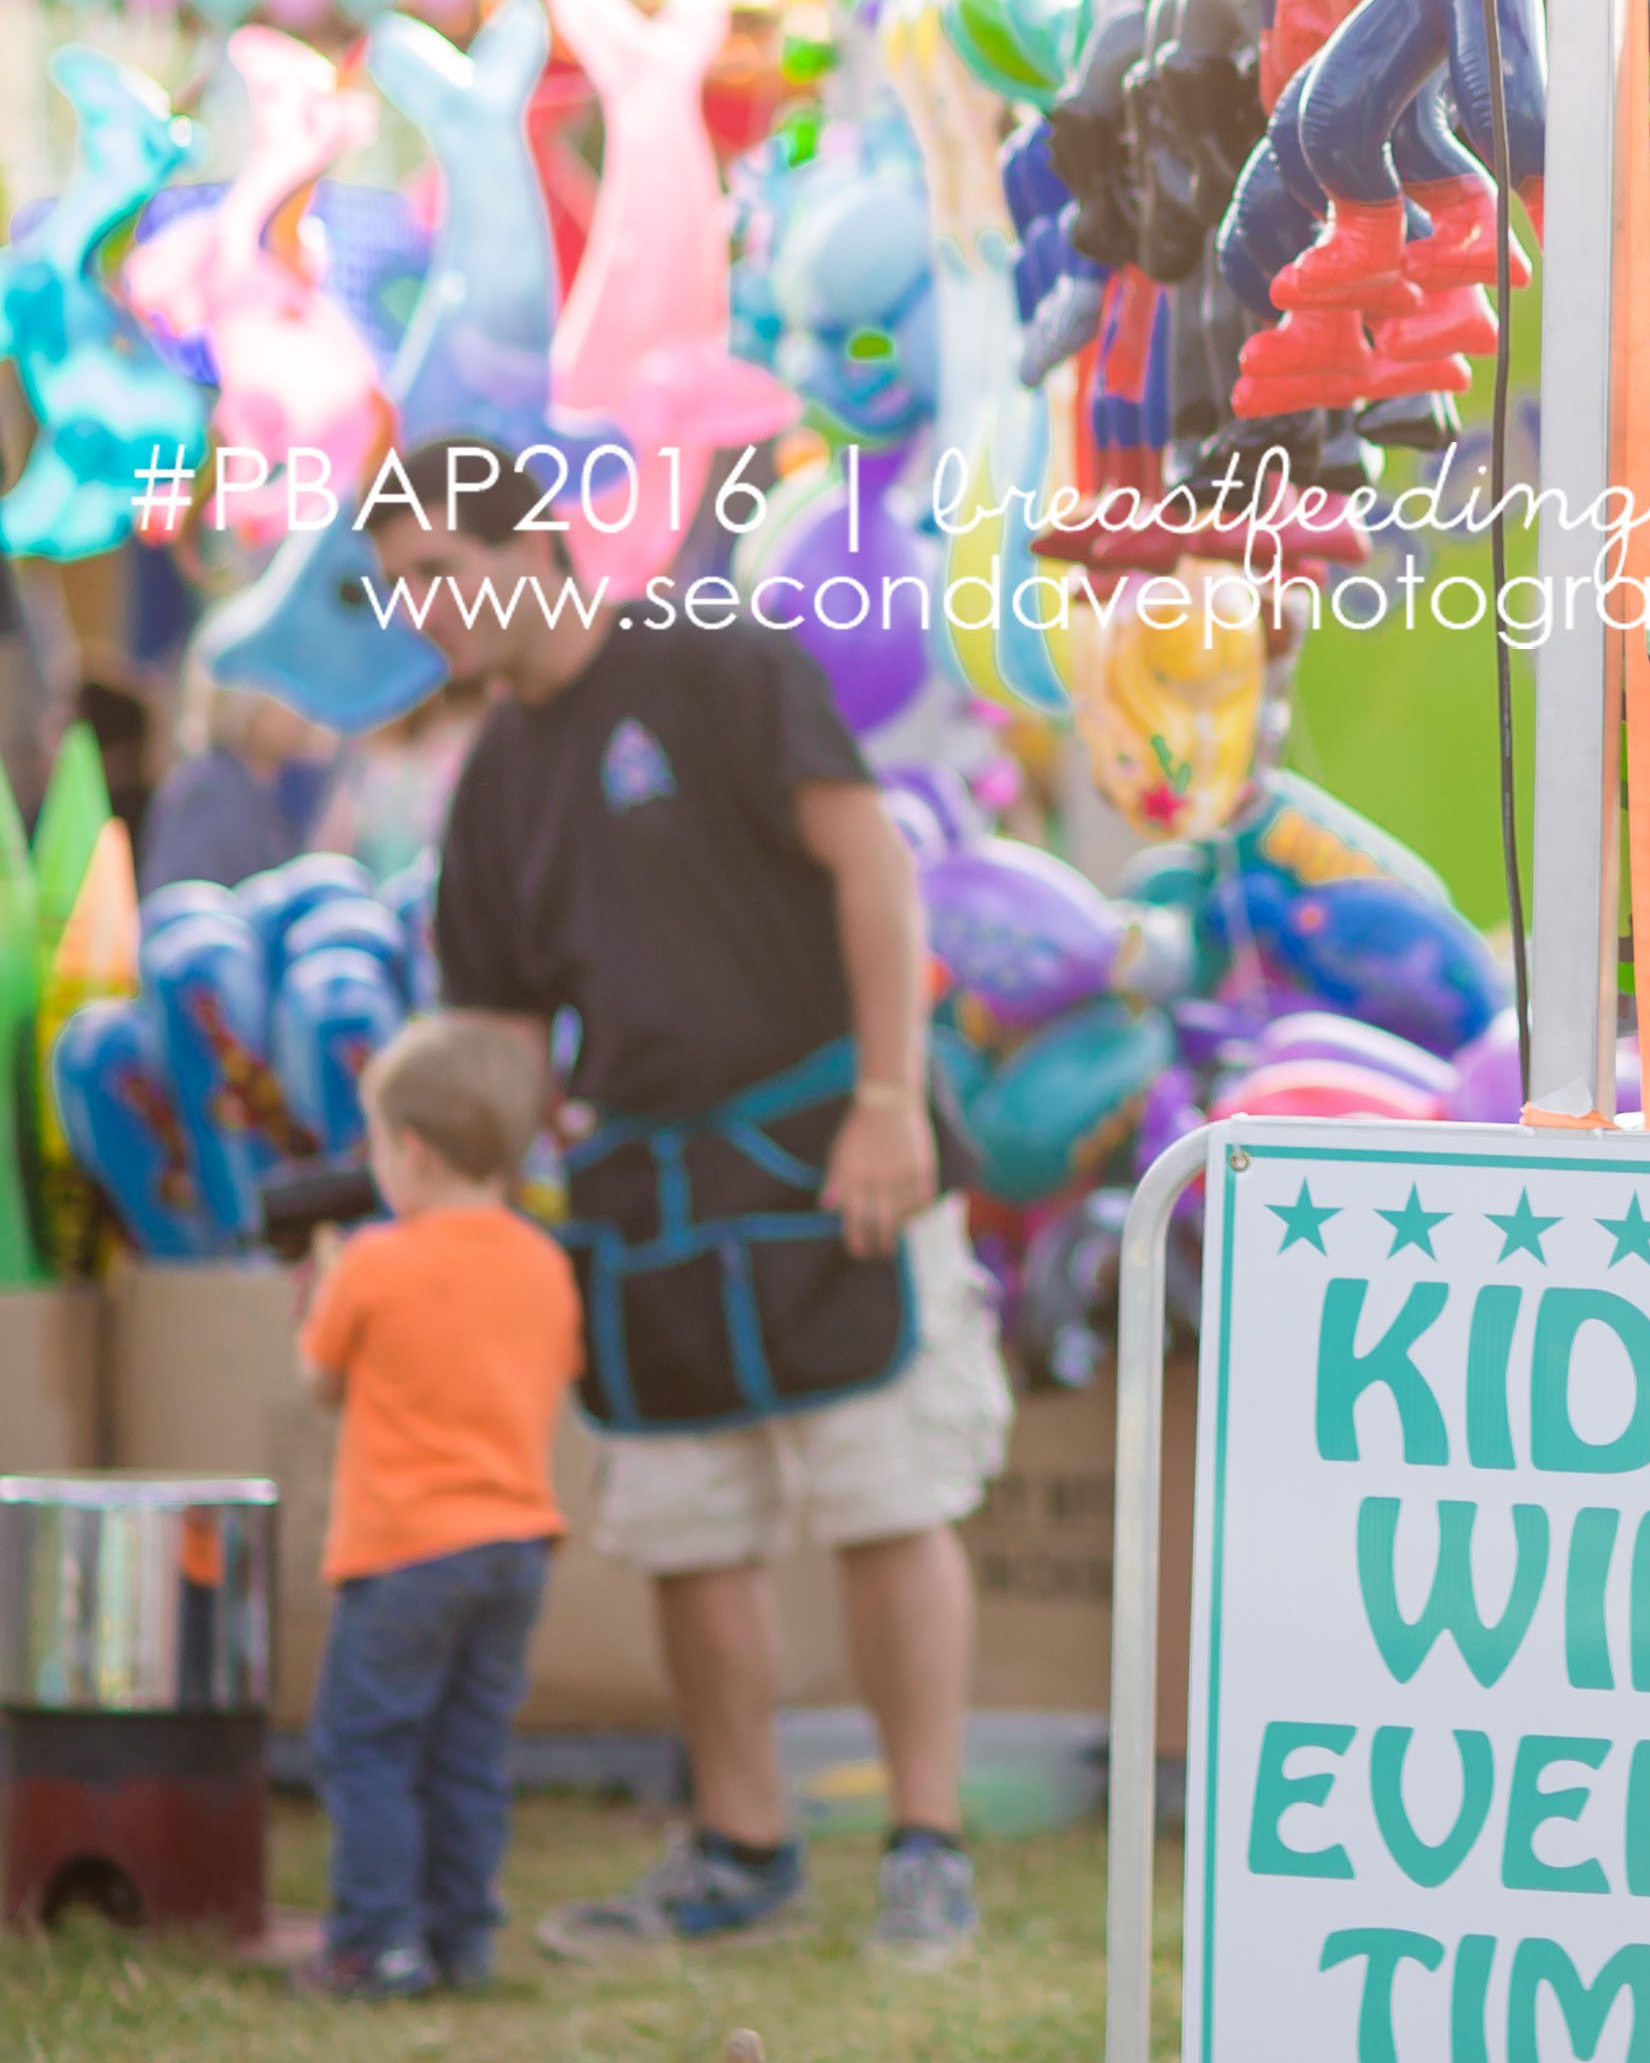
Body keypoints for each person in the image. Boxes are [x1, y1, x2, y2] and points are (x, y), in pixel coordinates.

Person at [365, 440, 1008, 1964]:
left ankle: (928, 1848)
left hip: (833, 1149)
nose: (426, 616)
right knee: (686, 1525)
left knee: (884, 1494)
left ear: (535, 548)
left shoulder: (713, 654)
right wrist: (451, 1218)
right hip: (645, 1199)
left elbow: (875, 870)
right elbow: (507, 1049)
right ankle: (740, 1848)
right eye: (400, 593)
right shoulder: (491, 794)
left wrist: (884, 1101)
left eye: (442, 576)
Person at [292, 1012, 580, 1999]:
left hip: (406, 1546)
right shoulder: (544, 1261)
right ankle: (462, 1936)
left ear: (407, 1151)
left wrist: (321, 1295)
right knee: (469, 1751)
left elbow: (322, 1379)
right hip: (517, 1544)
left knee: (368, 1746)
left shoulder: (375, 1260)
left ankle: (377, 1942)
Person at [140, 671, 335, 892]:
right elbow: (184, 891)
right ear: (245, 708)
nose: (300, 712)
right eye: (284, 697)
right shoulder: (209, 791)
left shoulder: (281, 790)